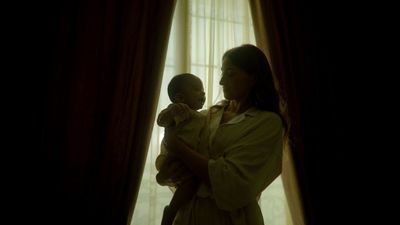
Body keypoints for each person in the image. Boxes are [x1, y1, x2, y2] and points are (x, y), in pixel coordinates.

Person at [161, 44, 287, 225]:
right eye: (222, 73)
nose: (221, 82)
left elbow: (234, 183)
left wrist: (178, 148)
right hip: (186, 216)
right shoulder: (210, 114)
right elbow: (174, 151)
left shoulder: (267, 123)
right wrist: (165, 173)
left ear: (253, 77)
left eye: (230, 73)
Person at [155, 73, 207, 225]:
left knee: (189, 184)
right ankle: (171, 211)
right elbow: (161, 121)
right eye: (197, 89)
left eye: (203, 90)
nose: (202, 93)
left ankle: (173, 210)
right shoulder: (179, 110)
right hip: (175, 156)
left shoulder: (202, 116)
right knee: (190, 184)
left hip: (186, 156)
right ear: (180, 98)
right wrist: (171, 112)